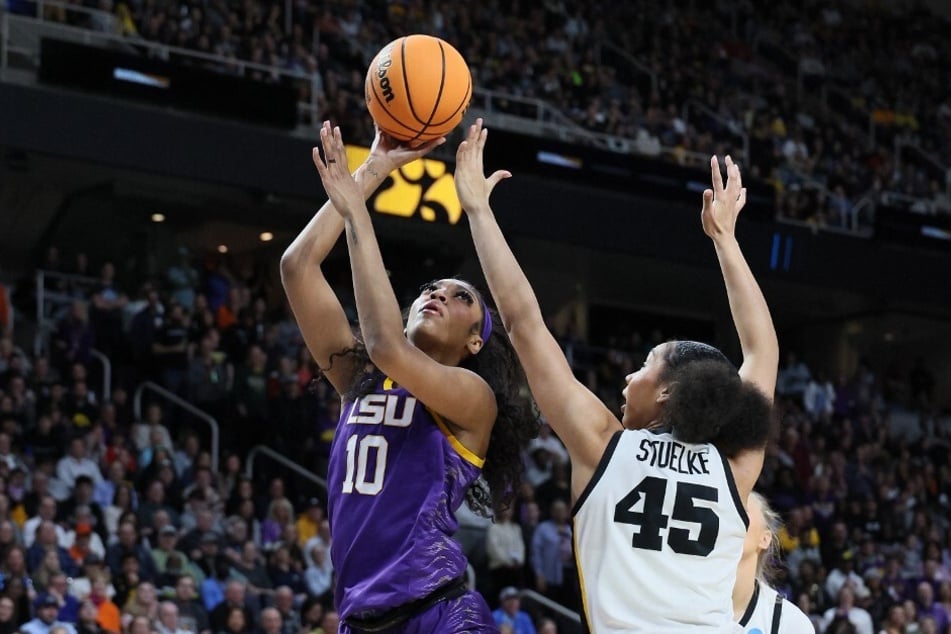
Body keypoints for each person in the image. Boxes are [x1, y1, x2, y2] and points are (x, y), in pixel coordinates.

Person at [457, 118, 778, 632]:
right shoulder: (734, 468)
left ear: (671, 390)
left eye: (644, 366)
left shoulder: (605, 444)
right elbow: (763, 349)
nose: (627, 379)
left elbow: (523, 324)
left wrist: (477, 211)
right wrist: (726, 241)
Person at [281, 121, 537, 633]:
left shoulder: (472, 399)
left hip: (440, 616)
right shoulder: (362, 379)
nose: (438, 294)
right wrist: (375, 165)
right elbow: (297, 268)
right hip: (360, 620)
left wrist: (358, 213)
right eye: (430, 288)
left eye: (461, 296)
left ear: (474, 341)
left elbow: (385, 346)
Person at [733, 493, 814, 633]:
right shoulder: (686, 602)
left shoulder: (790, 623)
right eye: (726, 510)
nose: (731, 518)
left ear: (765, 538)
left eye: (742, 509)